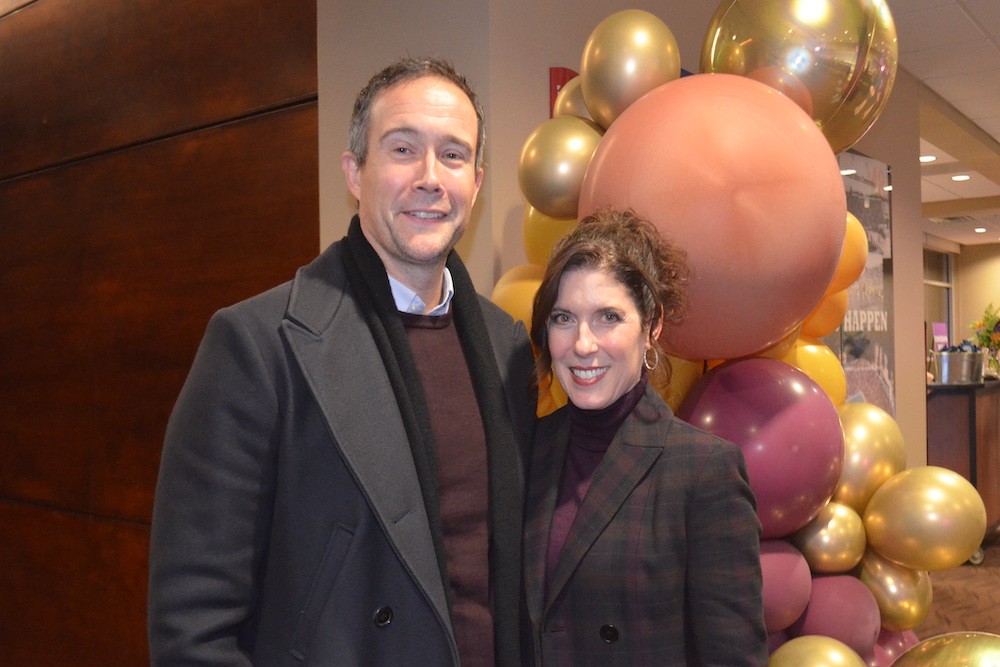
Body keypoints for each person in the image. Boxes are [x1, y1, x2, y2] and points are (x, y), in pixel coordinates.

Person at [148, 57, 535, 666]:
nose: (430, 178)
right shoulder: (258, 346)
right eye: (403, 149)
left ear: (477, 182)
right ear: (355, 173)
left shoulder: (505, 345)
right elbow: (192, 629)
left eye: (453, 155)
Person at [523, 209, 767, 665]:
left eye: (608, 317)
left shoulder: (704, 471)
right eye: (563, 318)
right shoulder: (527, 450)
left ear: (651, 326)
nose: (583, 344)